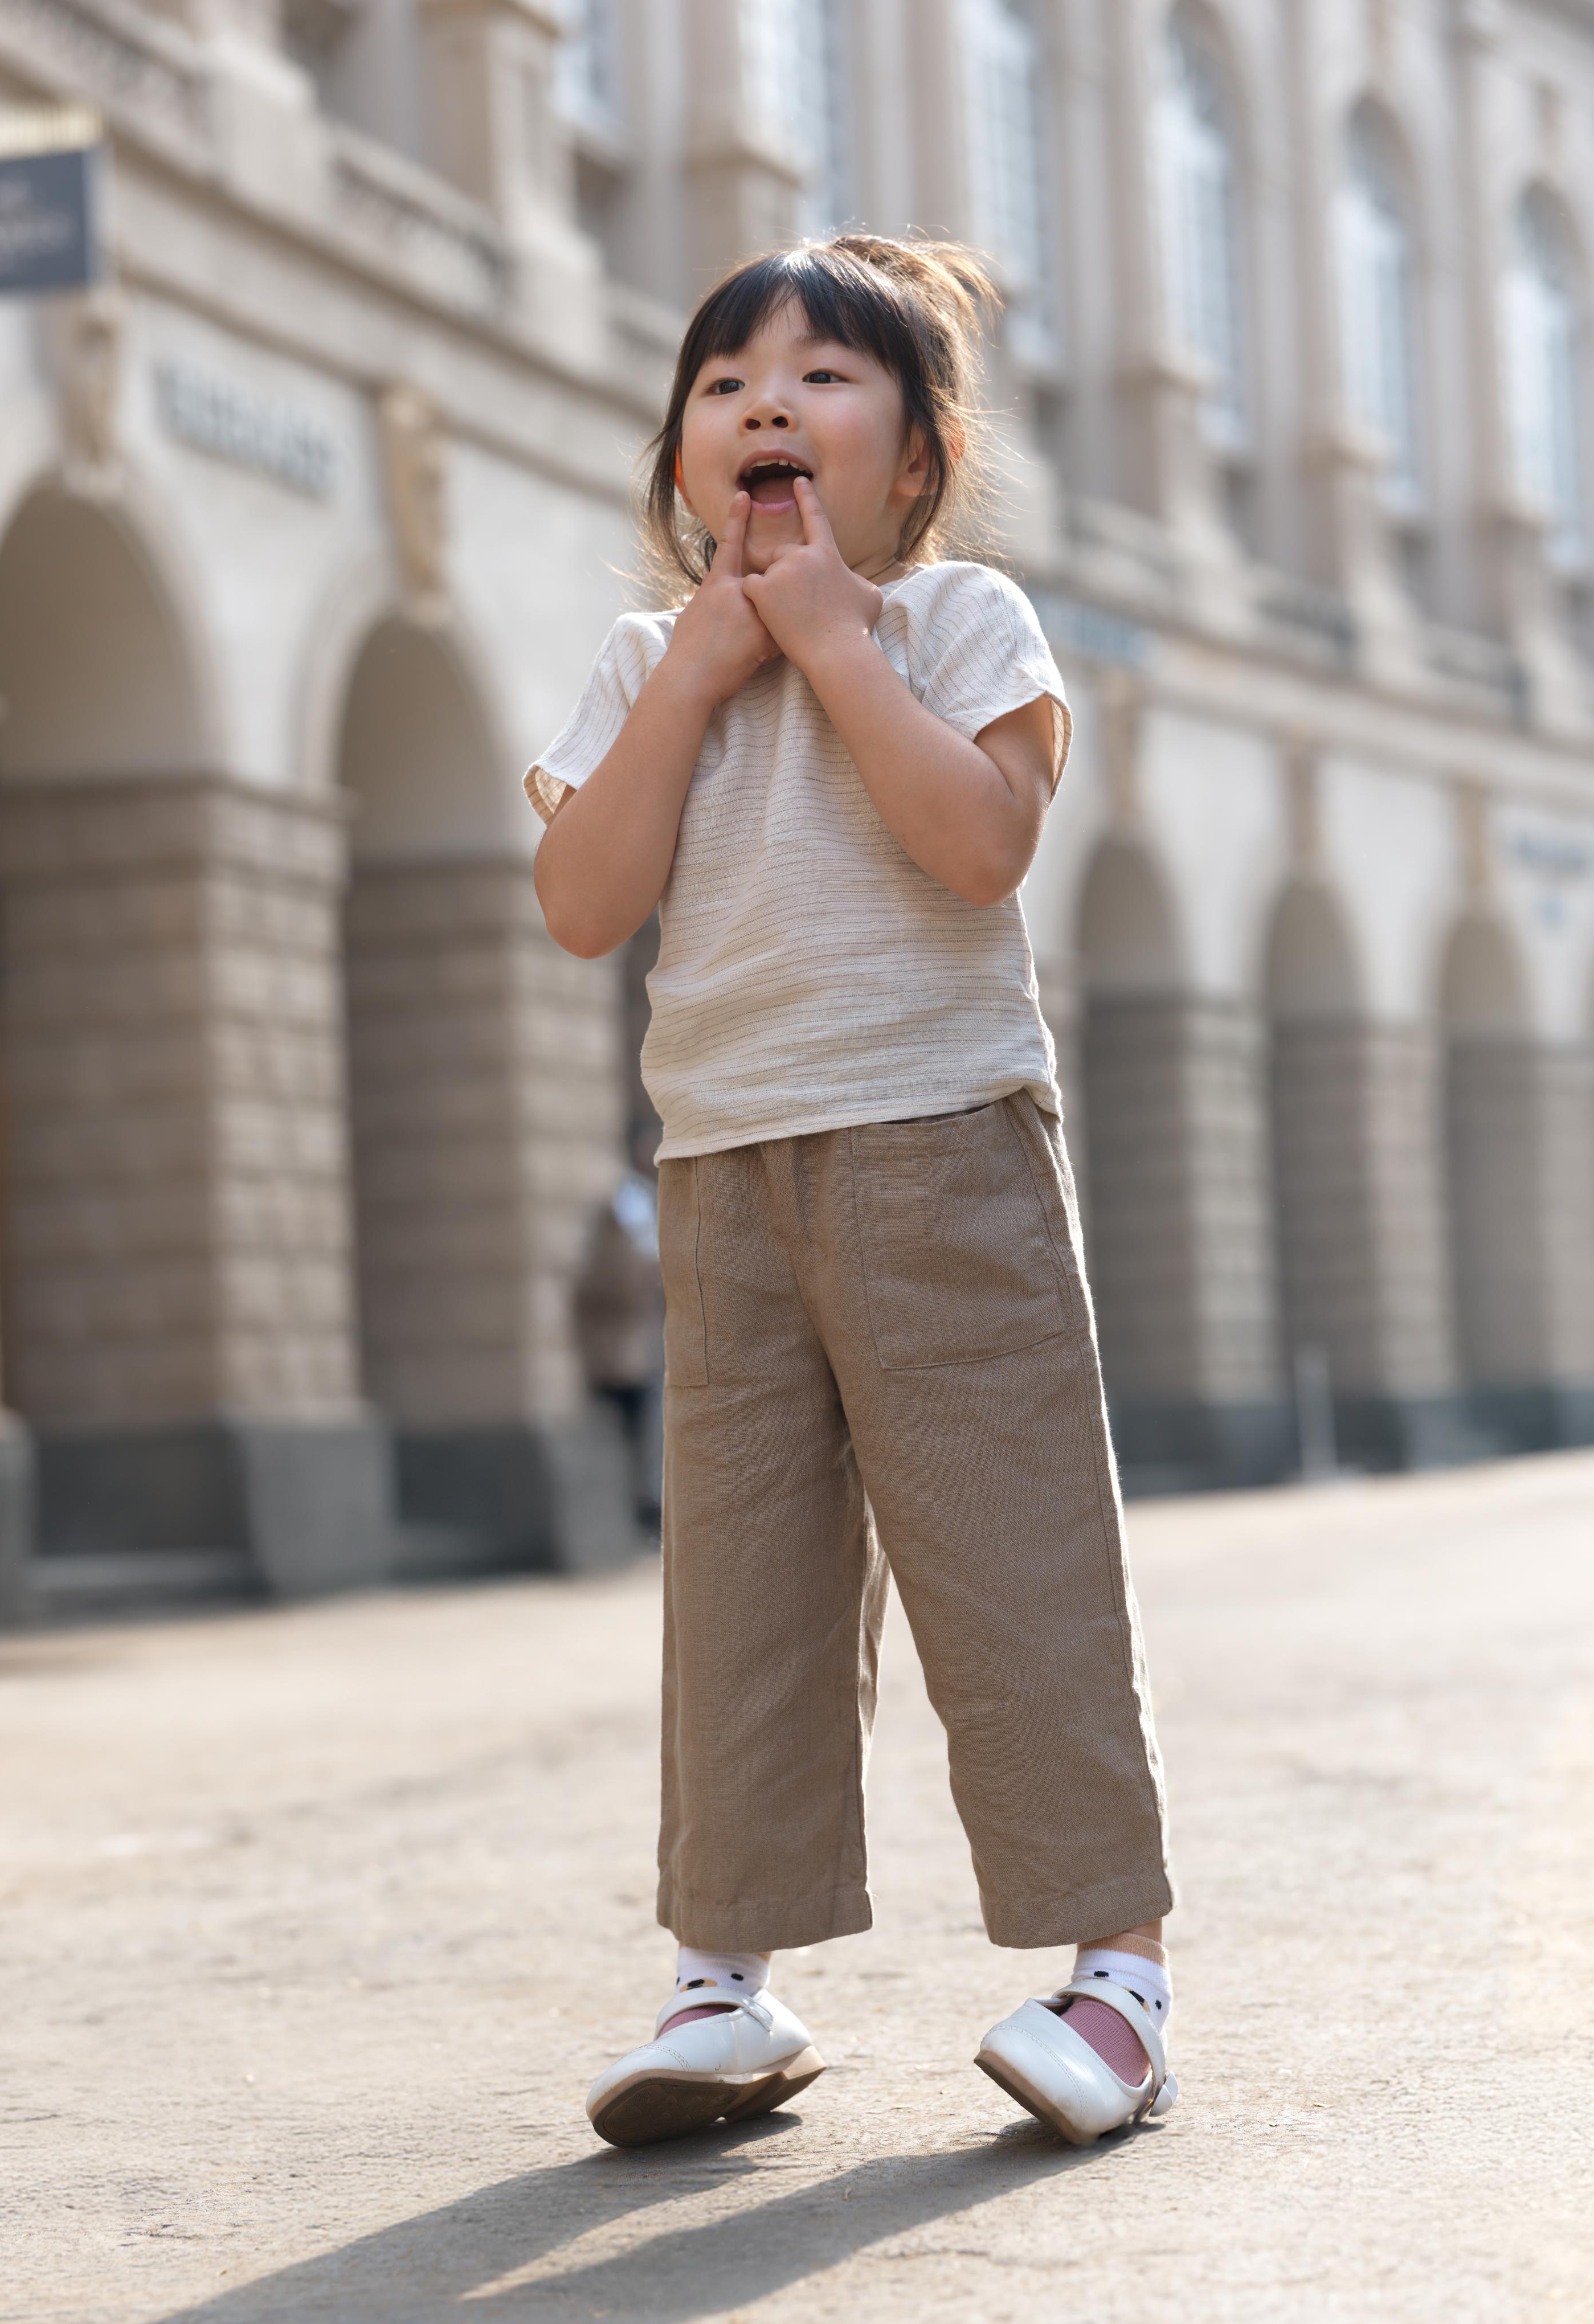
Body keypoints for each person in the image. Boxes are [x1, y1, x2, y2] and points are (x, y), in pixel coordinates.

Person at [525, 235, 1175, 2152]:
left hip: (942, 1142)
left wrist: (824, 641)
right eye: (726, 387)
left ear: (915, 458)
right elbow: (582, 906)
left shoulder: (960, 620)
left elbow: (979, 848)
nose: (768, 408)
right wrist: (717, 659)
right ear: (681, 467)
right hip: (727, 1171)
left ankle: (1116, 1974)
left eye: (821, 378)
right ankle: (726, 1979)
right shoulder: (651, 664)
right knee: (743, 1580)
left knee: (1011, 1548)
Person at [573, 1148, 665, 1532]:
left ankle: (641, 1511)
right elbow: (617, 1285)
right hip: (623, 1355)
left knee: (644, 1437)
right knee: (626, 1437)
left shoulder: (640, 1207)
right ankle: (633, 1515)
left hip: (640, 1351)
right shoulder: (624, 1212)